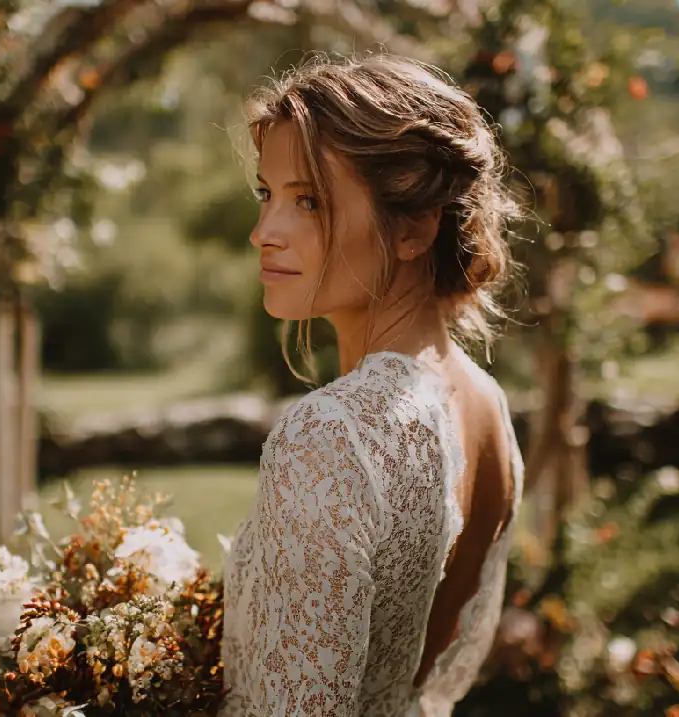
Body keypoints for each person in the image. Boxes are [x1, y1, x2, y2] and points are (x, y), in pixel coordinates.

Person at [221, 53, 525, 717]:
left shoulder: (331, 435)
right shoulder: (486, 405)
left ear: (415, 226)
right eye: (266, 194)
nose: (263, 232)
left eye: (308, 200)